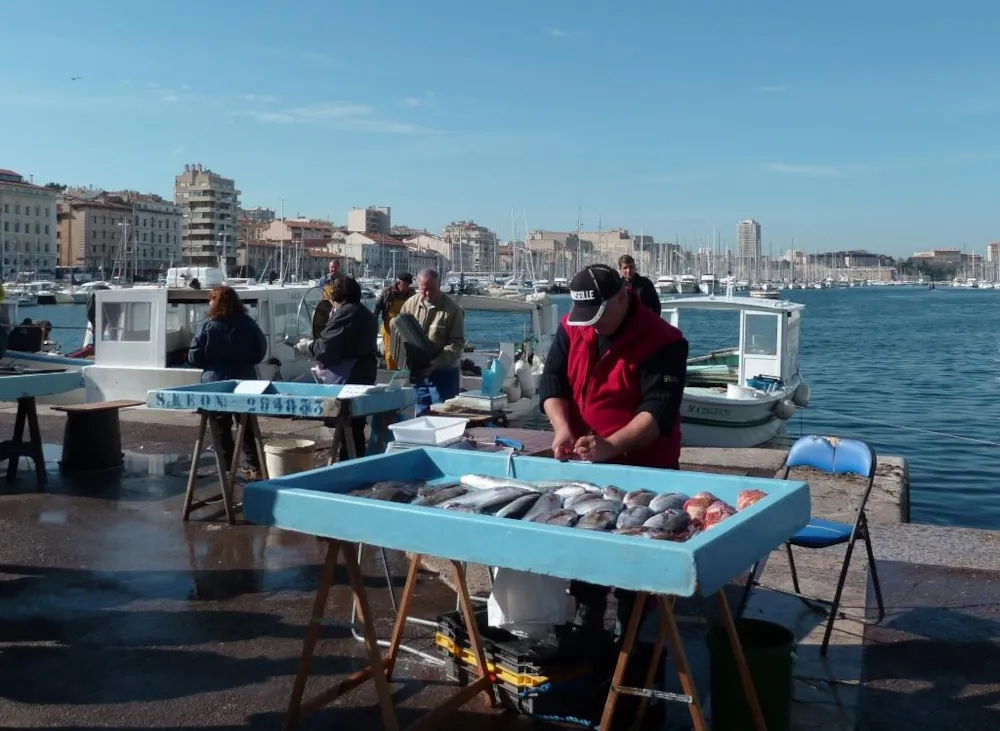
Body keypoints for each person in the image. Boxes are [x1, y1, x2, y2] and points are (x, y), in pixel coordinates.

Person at [538, 263, 688, 730]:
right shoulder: (573, 325)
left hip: (647, 472)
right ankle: (587, 655)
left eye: (599, 314)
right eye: (584, 314)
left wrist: (613, 445)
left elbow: (658, 412)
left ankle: (636, 678)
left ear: (624, 296)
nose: (592, 323)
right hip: (589, 470)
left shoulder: (664, 340)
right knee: (584, 570)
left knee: (635, 585)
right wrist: (563, 427)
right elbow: (552, 384)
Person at [188, 285, 268, 478]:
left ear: (214, 302)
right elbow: (260, 351)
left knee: (220, 425)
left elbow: (194, 356)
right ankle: (253, 465)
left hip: (215, 379)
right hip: (244, 379)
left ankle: (226, 467)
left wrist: (212, 363)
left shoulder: (208, 325)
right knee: (247, 424)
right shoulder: (249, 323)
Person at [298, 276, 379, 460]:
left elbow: (326, 347)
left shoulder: (345, 313)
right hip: (365, 372)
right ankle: (355, 463)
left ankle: (346, 465)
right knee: (356, 425)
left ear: (338, 297)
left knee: (345, 424)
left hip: (349, 376)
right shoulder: (366, 314)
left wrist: (308, 347)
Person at [398, 268, 466, 414]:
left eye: (432, 289)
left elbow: (457, 344)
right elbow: (400, 331)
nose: (428, 293)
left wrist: (436, 363)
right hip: (419, 372)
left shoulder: (452, 310)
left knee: (443, 415)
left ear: (440, 285)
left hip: (444, 372)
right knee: (421, 413)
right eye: (424, 289)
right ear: (418, 286)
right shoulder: (409, 305)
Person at [372, 272, 414, 370]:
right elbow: (376, 309)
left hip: (406, 328)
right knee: (390, 353)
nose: (407, 286)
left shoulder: (412, 294)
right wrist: (372, 324)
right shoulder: (387, 292)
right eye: (405, 284)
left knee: (407, 353)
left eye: (409, 284)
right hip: (389, 328)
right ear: (399, 282)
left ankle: (406, 375)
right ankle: (391, 372)